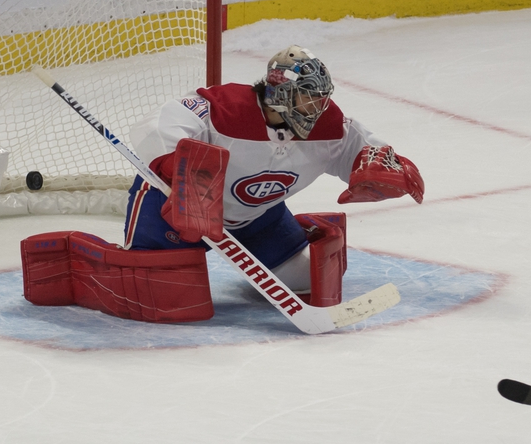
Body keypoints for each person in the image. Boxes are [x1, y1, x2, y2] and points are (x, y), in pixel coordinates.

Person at [123, 44, 424, 300]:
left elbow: (367, 151)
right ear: (281, 92)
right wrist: (178, 171)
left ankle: (292, 234)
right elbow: (156, 125)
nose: (318, 107)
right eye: (308, 97)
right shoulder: (226, 109)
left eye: (322, 98)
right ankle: (87, 258)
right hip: (173, 211)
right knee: (159, 295)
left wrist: (380, 171)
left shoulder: (329, 127)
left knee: (305, 281)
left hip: (257, 218)